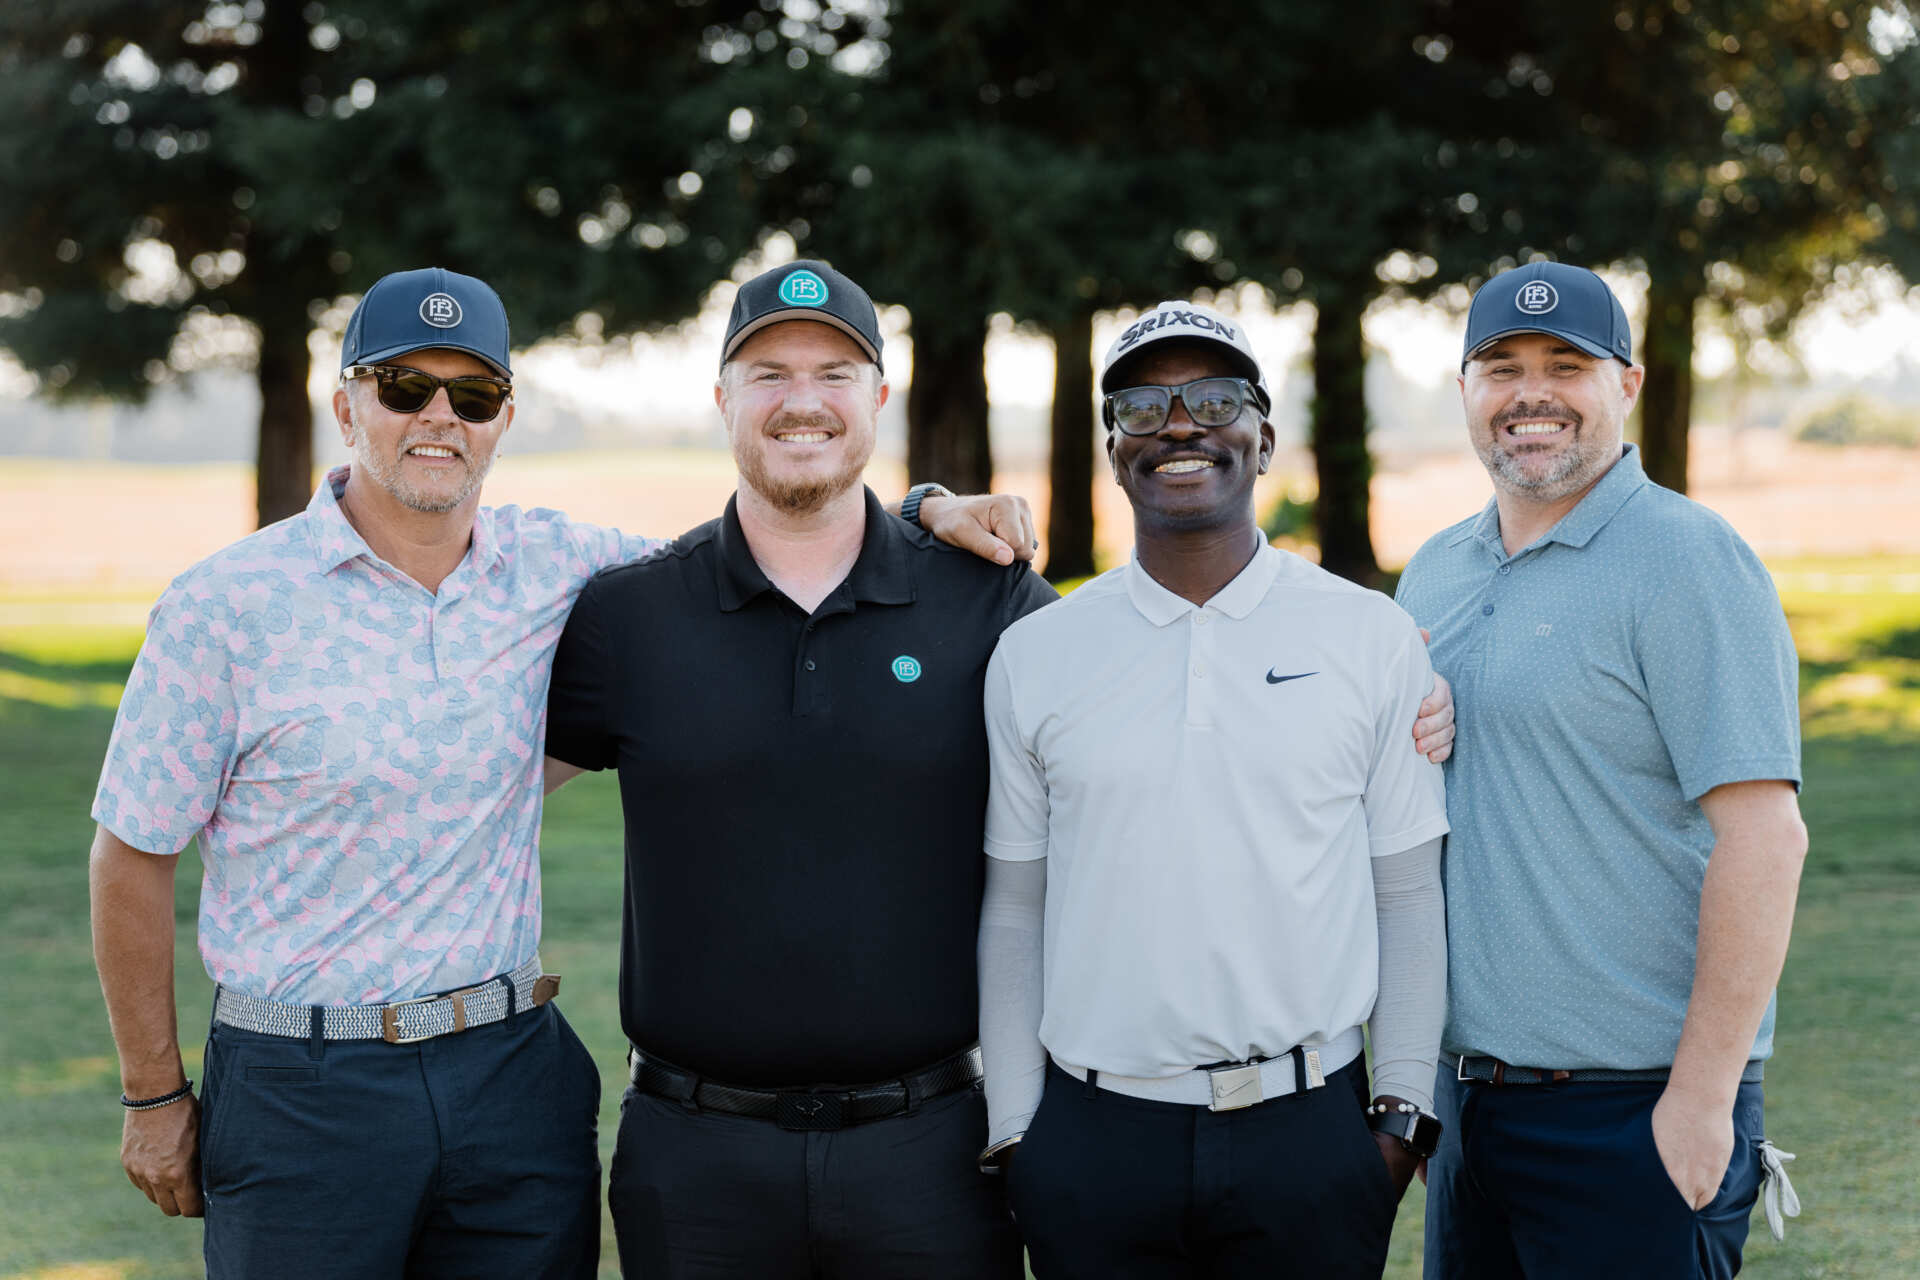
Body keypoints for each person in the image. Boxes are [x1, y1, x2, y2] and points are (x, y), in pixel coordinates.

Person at [87, 264, 1034, 1279]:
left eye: (473, 394)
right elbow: (130, 852)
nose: (439, 416)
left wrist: (923, 513)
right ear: (347, 403)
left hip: (509, 1074)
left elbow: (775, 536)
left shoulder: (556, 571)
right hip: (302, 1080)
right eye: (404, 386)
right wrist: (154, 1092)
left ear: (503, 417)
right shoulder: (226, 606)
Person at [977, 301, 1451, 1280]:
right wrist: (1019, 1133)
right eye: (1143, 407)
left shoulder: (1368, 635)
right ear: (1114, 449)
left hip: (1308, 1135)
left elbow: (1406, 893)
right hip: (1095, 1139)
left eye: (1216, 400)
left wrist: (1401, 1117)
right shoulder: (1035, 653)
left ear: (1264, 438)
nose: (1181, 426)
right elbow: (1016, 907)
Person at [1394, 261, 1808, 1280]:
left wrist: (1702, 1098)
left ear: (1626, 384)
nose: (1530, 393)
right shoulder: (1434, 570)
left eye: (1566, 365)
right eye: (1502, 368)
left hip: (1636, 1111)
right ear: (1465, 390)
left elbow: (1765, 836)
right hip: (1471, 1105)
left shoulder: (1689, 560)